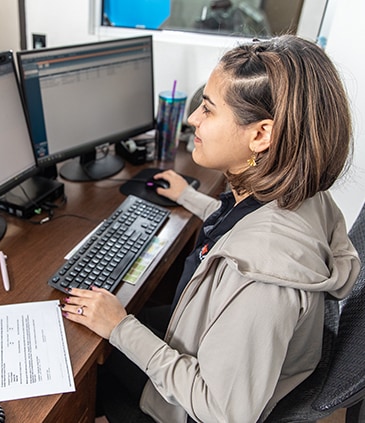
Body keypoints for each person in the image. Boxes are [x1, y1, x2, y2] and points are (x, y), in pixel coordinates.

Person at [61, 34, 361, 422]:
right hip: (221, 347)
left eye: (207, 109)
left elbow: (222, 411)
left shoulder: (262, 283)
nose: (192, 120)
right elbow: (242, 229)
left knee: (86, 365)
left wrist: (119, 327)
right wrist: (190, 197)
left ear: (260, 135)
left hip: (195, 403)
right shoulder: (301, 191)